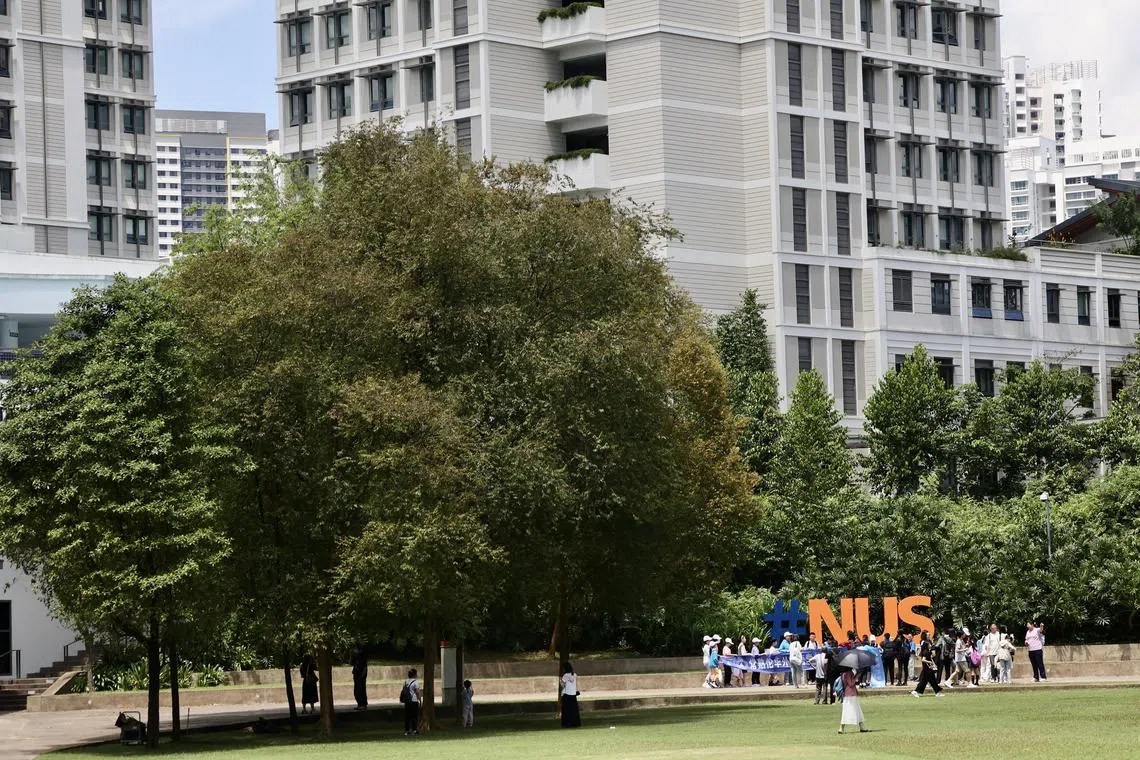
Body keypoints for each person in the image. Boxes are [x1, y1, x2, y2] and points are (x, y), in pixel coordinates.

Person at [911, 632, 943, 698]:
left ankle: (917, 691)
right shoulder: (925, 647)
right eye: (928, 635)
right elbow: (926, 657)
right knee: (931, 679)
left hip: (928, 663)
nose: (929, 636)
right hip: (927, 664)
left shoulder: (925, 644)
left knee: (926, 680)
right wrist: (931, 661)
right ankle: (936, 692)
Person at [838, 670, 869, 734]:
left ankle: (861, 726)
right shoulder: (848, 673)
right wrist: (855, 677)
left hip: (848, 693)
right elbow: (851, 684)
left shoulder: (843, 673)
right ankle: (842, 727)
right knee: (854, 709)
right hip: (851, 694)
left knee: (854, 709)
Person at [560, 662, 581, 728]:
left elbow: (562, 685)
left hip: (567, 694)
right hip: (573, 694)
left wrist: (560, 681)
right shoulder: (574, 674)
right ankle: (575, 723)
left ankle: (567, 723)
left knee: (566, 710)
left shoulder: (565, 675)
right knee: (574, 710)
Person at [403, 668, 422, 736]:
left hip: (407, 701)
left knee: (407, 716)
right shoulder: (416, 682)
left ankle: (406, 731)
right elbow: (417, 691)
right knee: (414, 716)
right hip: (414, 701)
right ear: (414, 674)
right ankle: (414, 730)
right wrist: (419, 699)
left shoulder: (406, 681)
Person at [351, 645, 368, 711]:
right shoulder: (356, 656)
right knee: (357, 690)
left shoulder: (362, 656)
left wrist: (362, 675)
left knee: (360, 690)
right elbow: (352, 663)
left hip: (360, 675)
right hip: (357, 674)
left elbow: (363, 667)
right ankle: (360, 704)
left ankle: (362, 704)